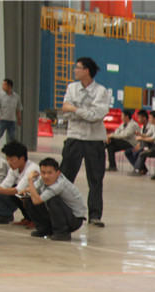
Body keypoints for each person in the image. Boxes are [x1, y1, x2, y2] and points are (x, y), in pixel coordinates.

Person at [61, 56, 112, 227]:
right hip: (74, 137)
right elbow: (65, 111)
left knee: (95, 179)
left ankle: (95, 215)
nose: (75, 70)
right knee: (65, 177)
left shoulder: (101, 91)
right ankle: (63, 210)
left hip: (94, 140)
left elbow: (95, 116)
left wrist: (75, 109)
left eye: (78, 67)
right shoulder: (72, 88)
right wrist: (82, 111)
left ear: (87, 71)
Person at [21, 157, 87, 241]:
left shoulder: (59, 184)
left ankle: (62, 233)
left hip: (74, 220)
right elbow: (31, 189)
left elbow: (37, 201)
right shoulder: (43, 179)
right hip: (63, 214)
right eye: (43, 172)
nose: (46, 176)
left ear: (58, 173)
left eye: (50, 173)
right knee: (28, 199)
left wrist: (30, 180)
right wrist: (24, 191)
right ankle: (44, 229)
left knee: (53, 200)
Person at [0, 78, 22, 146]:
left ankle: (13, 148)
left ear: (9, 86)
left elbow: (18, 109)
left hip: (12, 120)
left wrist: (19, 118)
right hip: (1, 119)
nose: (3, 86)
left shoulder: (16, 97)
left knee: (12, 136)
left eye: (4, 85)